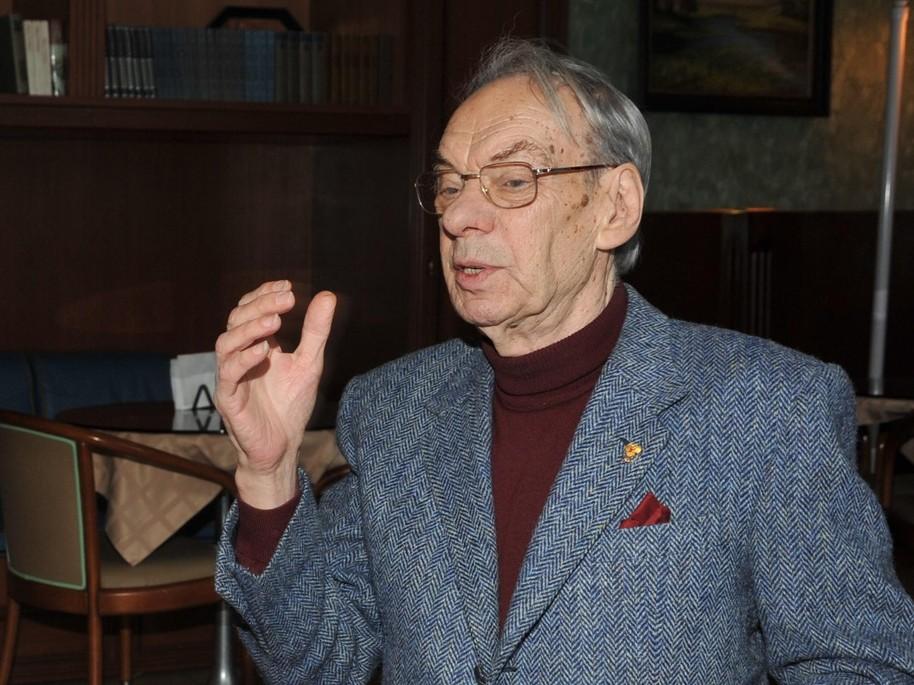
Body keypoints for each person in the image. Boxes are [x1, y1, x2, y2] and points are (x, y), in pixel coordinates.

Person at [214, 38, 914, 683]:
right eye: (450, 185)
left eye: (512, 180)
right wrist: (269, 475)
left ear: (615, 206)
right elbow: (320, 663)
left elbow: (859, 665)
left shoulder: (767, 409)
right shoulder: (392, 408)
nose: (457, 217)